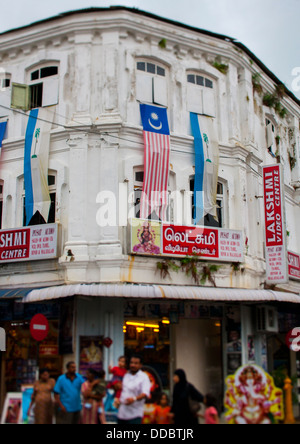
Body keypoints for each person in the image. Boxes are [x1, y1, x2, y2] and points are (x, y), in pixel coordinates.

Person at [116, 354, 151, 424]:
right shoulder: (126, 375)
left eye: (136, 363)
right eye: (131, 363)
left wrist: (134, 399)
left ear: (140, 365)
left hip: (135, 414)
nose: (133, 365)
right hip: (122, 413)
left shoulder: (144, 377)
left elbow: (145, 393)